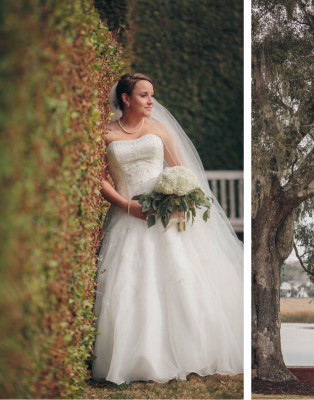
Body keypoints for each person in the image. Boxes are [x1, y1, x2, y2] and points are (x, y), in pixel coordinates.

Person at [91, 73, 243, 384]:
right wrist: (126, 205)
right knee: (131, 285)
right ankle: (138, 357)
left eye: (151, 95)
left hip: (163, 216)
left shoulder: (160, 130)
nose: (151, 102)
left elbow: (183, 173)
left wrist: (177, 200)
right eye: (144, 95)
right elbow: (98, 178)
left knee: (180, 280)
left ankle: (191, 351)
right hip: (127, 216)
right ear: (125, 98)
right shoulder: (103, 133)